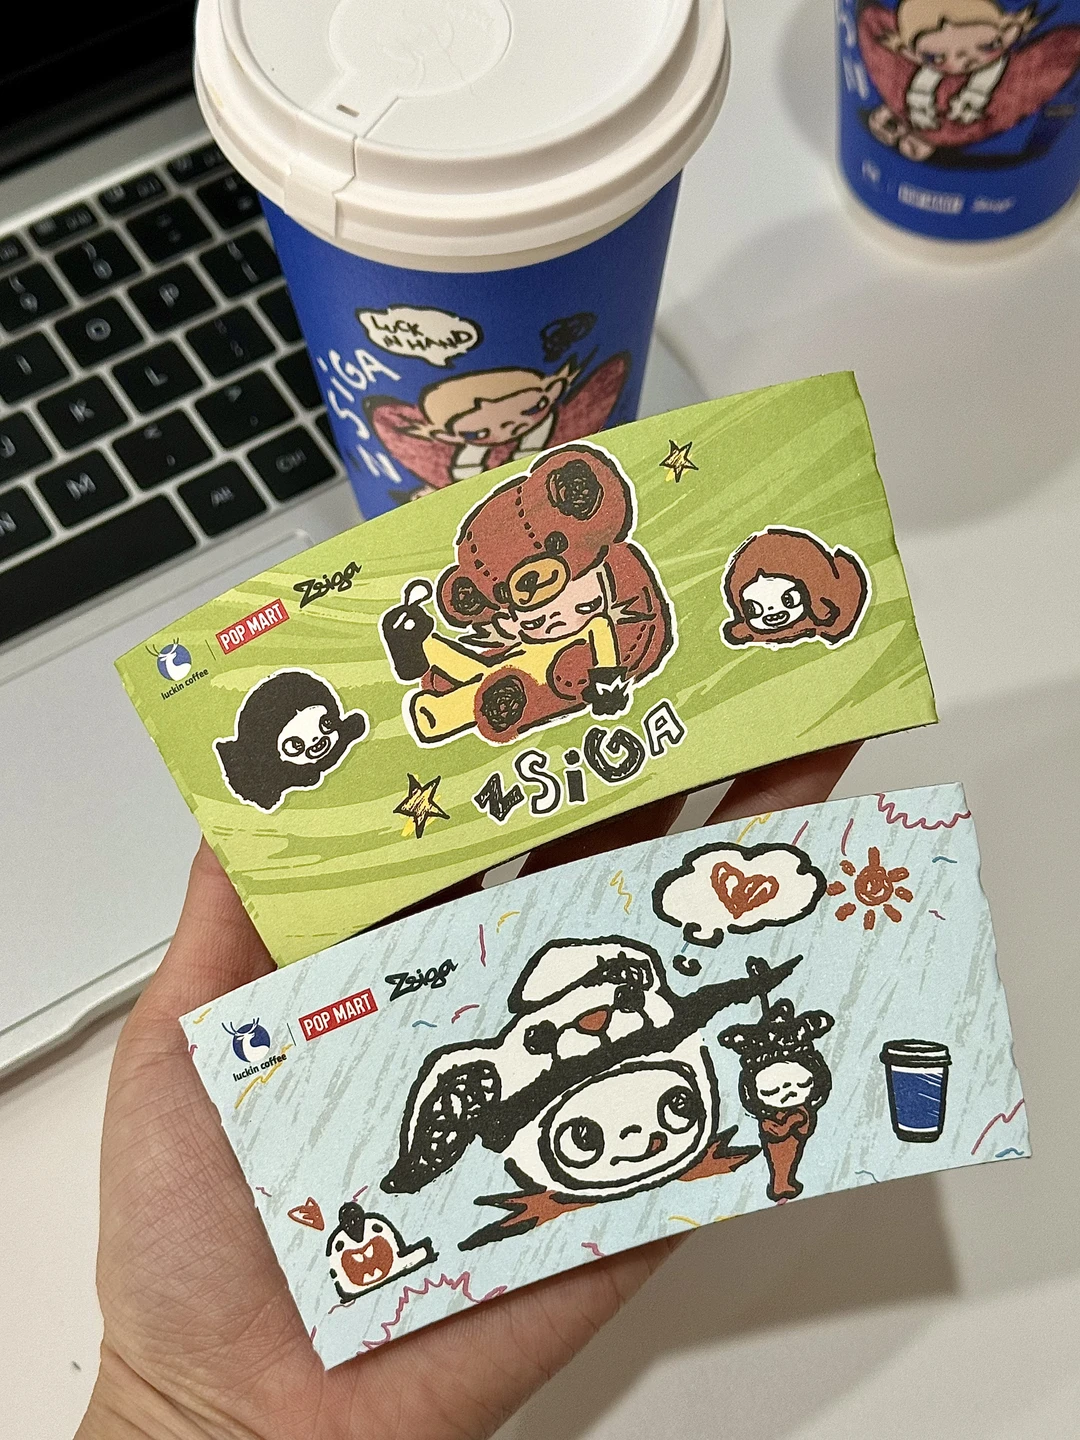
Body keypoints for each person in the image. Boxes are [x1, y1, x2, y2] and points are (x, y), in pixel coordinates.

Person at [75, 745, 859, 1440]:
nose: (640, 1138)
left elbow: (708, 1006)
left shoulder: (639, 1034)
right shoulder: (496, 1071)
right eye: (589, 1136)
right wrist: (187, 1412)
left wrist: (186, 1415)